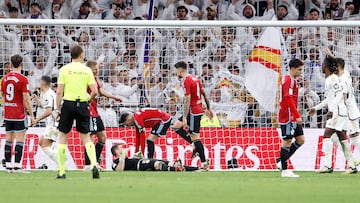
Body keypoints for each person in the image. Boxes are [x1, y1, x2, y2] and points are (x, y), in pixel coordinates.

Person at [55, 45, 99, 179]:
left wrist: (57, 109)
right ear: (81, 55)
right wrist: (89, 100)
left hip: (68, 103)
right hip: (82, 104)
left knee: (63, 137)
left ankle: (62, 171)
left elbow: (59, 92)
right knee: (86, 136)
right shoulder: (87, 70)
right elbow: (95, 91)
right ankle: (94, 164)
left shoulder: (64, 69)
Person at [309, 57, 357, 174]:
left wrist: (331, 110)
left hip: (338, 112)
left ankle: (328, 165)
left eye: (323, 64)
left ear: (326, 66)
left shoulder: (333, 79)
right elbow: (329, 98)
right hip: (339, 111)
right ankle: (352, 166)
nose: (321, 66)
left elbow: (340, 94)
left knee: (327, 135)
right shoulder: (330, 79)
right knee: (341, 138)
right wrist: (316, 108)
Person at [172, 61, 213, 171]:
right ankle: (195, 146)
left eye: (176, 71)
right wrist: (208, 108)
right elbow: (204, 94)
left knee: (195, 137)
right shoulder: (196, 79)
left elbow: (187, 100)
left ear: (180, 70)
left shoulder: (186, 81)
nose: (176, 73)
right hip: (195, 110)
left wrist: (184, 117)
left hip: (194, 112)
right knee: (176, 127)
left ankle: (204, 163)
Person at [83, 60, 122, 170]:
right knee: (90, 137)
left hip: (95, 111)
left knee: (103, 137)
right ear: (90, 69)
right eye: (95, 69)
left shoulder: (94, 78)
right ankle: (88, 164)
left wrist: (114, 97)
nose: (97, 70)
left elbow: (100, 91)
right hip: (89, 112)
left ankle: (94, 163)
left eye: (98, 68)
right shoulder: (85, 78)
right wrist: (88, 100)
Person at [1, 54, 35, 172]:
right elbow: (26, 99)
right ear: (22, 64)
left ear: (11, 64)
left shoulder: (4, 78)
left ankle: (8, 165)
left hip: (8, 113)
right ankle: (16, 165)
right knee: (20, 139)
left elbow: (3, 95)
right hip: (19, 114)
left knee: (8, 139)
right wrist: (32, 115)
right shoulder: (23, 79)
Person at [277, 59, 305, 178]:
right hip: (288, 115)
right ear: (292, 69)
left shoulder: (291, 80)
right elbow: (288, 98)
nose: (300, 72)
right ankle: (284, 169)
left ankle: (281, 161)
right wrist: (297, 114)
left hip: (292, 116)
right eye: (299, 69)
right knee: (287, 141)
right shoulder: (288, 80)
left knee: (300, 139)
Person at [335, 57, 360, 158]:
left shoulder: (342, 80)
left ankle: (352, 161)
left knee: (354, 137)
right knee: (336, 136)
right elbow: (341, 64)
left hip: (349, 113)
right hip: (351, 111)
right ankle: (351, 161)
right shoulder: (346, 74)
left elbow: (344, 98)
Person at [110, 144, 198, 172]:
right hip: (140, 164)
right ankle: (176, 169)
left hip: (142, 160)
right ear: (117, 151)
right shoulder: (115, 162)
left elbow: (128, 163)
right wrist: (122, 157)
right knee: (157, 164)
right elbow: (119, 170)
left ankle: (197, 168)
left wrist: (136, 156)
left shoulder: (125, 159)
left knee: (169, 163)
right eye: (121, 148)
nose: (124, 149)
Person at [32, 76, 58, 165]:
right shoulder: (49, 93)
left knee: (45, 145)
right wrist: (37, 100)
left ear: (42, 83)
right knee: (41, 142)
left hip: (53, 123)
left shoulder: (48, 94)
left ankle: (62, 162)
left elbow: (48, 111)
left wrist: (36, 120)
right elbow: (46, 106)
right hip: (51, 123)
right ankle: (61, 159)